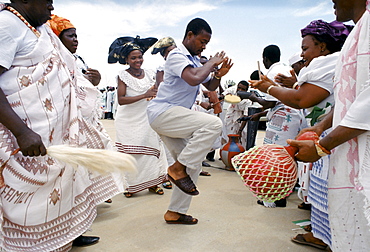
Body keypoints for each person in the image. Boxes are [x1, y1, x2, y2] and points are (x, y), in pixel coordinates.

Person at [0, 1, 126, 250]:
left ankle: (62, 241)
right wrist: (21, 131)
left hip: (53, 141)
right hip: (25, 142)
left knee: (61, 198)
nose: (52, 3)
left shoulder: (43, 30)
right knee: (26, 209)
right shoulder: (7, 25)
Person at [251, 19, 352, 250]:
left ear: (323, 48)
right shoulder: (328, 64)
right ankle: (319, 228)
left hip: (331, 139)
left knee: (329, 187)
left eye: (306, 48)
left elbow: (301, 100)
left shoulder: (329, 63)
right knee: (320, 187)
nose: (302, 54)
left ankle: (323, 234)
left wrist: (267, 88)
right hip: (322, 134)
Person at [287, 1, 370, 251]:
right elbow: (349, 98)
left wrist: (322, 147)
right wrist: (320, 127)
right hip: (346, 151)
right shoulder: (360, 30)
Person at [147, 18, 233, 224]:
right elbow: (193, 78)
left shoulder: (194, 60)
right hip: (163, 113)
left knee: (191, 166)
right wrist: (211, 62)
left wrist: (219, 75)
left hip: (174, 117)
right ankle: (177, 168)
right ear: (189, 36)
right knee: (213, 124)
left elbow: (209, 85)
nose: (204, 46)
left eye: (207, 43)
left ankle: (174, 212)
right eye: (202, 41)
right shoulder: (177, 55)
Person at [108, 36, 168, 198]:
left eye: (140, 57)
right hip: (128, 122)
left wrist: (156, 89)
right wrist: (144, 95)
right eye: (133, 58)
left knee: (151, 152)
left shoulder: (150, 73)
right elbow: (121, 100)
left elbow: (158, 88)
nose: (138, 60)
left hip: (147, 120)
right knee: (130, 154)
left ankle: (153, 184)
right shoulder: (122, 75)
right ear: (126, 60)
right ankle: (130, 186)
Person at [221, 81, 252, 147]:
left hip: (241, 118)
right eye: (239, 88)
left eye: (243, 89)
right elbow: (224, 94)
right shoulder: (233, 90)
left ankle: (240, 153)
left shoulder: (248, 100)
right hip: (231, 114)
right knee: (227, 133)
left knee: (243, 137)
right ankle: (227, 151)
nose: (240, 90)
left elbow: (245, 116)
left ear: (246, 90)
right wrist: (225, 96)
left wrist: (240, 131)